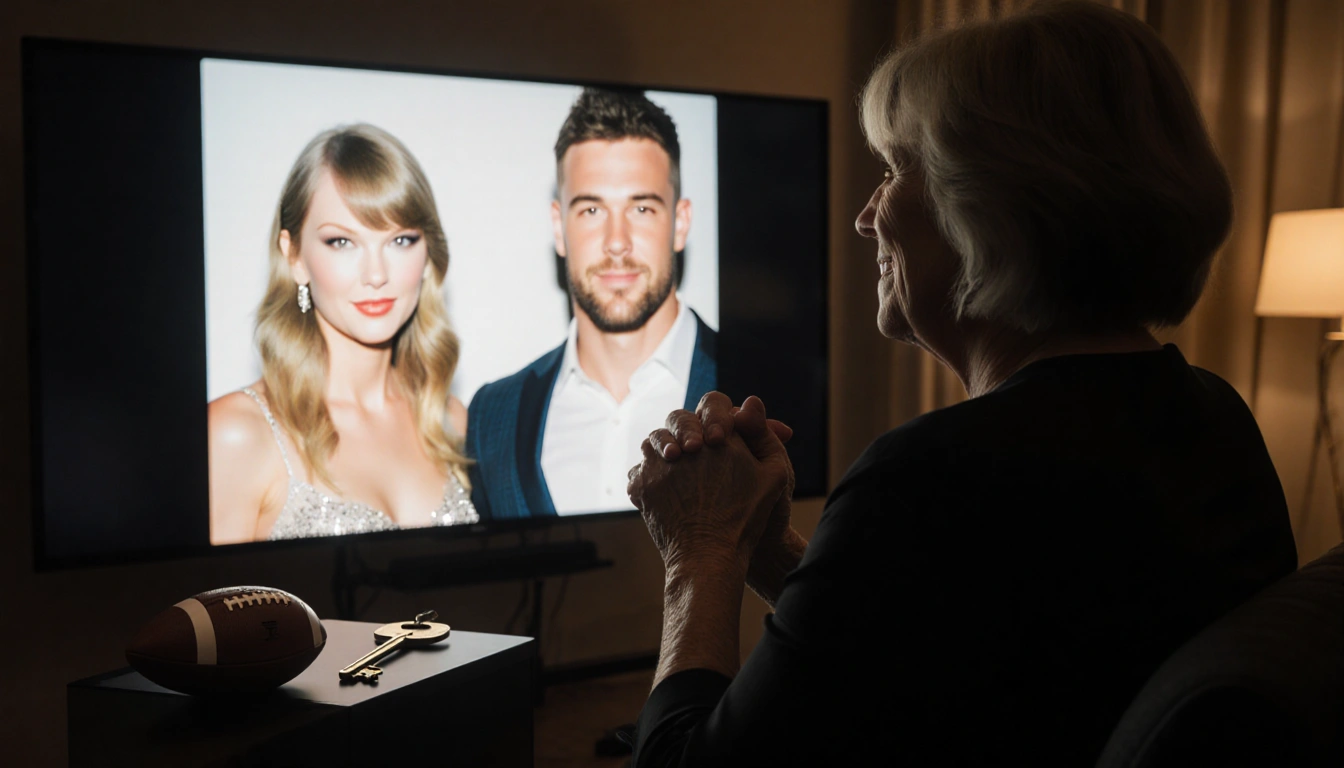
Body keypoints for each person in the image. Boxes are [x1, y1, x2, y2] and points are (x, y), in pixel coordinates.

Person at [624, 2, 1298, 765]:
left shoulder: (932, 477)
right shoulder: (1212, 419)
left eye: (894, 169)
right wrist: (769, 549)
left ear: (992, 200)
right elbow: (963, 657)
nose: (864, 216)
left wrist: (700, 554)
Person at [209, 124, 477, 544]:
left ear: (427, 257)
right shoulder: (235, 434)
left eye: (401, 240)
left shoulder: (450, 423)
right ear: (294, 255)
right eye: (341, 242)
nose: (376, 275)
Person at [467, 88, 717, 519]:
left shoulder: (763, 385)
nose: (616, 243)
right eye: (591, 211)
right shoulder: (492, 416)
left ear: (680, 223)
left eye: (641, 208)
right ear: (558, 227)